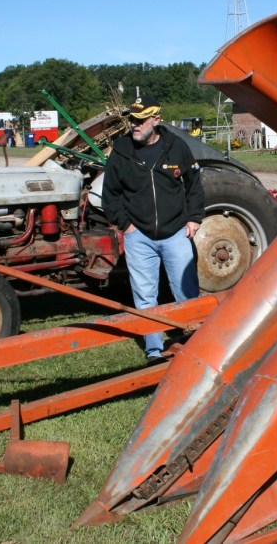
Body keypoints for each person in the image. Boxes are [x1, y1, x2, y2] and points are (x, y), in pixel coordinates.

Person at [102, 95, 205, 365]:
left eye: (139, 119)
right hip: (140, 237)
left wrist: (194, 218)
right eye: (131, 119)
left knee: (186, 292)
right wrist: (127, 226)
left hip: (176, 234)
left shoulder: (177, 146)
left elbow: (194, 184)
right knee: (146, 297)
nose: (134, 124)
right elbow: (110, 195)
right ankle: (154, 352)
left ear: (156, 120)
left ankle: (195, 344)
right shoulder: (122, 151)